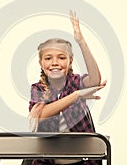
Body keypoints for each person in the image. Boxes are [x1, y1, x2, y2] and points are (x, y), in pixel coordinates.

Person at [28, 11, 107, 165]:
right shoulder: (37, 88)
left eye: (62, 57)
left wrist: (81, 41)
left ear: (70, 62)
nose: (55, 62)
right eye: (49, 58)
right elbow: (41, 115)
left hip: (83, 161)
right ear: (41, 63)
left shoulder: (76, 81)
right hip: (47, 161)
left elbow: (95, 79)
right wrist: (76, 95)